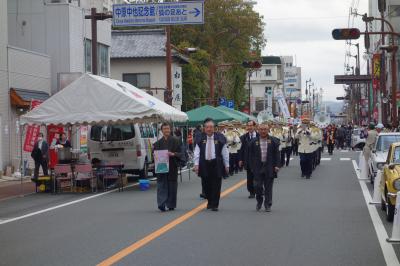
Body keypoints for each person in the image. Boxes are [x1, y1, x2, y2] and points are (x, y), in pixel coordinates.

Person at [194, 118, 229, 211]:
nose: (209, 129)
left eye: (211, 127)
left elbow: (225, 152)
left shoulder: (220, 137)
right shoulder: (199, 137)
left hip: (216, 163)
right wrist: (196, 165)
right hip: (204, 163)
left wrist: (227, 165)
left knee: (216, 185)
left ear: (214, 128)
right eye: (207, 127)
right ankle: (209, 201)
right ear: (204, 128)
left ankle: (215, 204)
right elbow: (196, 152)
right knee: (206, 185)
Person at [247, 123, 280, 212]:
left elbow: (277, 154)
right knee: (257, 186)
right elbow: (250, 156)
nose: (263, 131)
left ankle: (268, 204)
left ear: (268, 130)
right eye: (261, 129)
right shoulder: (253, 142)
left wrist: (277, 165)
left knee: (268, 187)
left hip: (269, 166)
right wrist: (251, 167)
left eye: (265, 129)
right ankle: (259, 201)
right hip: (257, 167)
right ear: (258, 130)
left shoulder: (273, 141)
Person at [153, 123, 183, 212]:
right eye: (164, 129)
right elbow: (155, 156)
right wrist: (155, 155)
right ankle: (161, 204)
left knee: (172, 185)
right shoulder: (157, 143)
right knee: (161, 185)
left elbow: (182, 153)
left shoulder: (176, 140)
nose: (166, 130)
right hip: (161, 167)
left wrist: (173, 154)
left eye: (168, 129)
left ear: (170, 130)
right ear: (161, 131)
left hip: (172, 165)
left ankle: (171, 204)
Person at [239, 120, 259, 198]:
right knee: (250, 177)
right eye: (248, 126)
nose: (250, 127)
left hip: (258, 160)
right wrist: (240, 159)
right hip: (248, 159)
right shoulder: (244, 137)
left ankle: (259, 189)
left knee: (258, 176)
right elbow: (241, 149)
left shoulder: (259, 135)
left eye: (251, 125)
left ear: (254, 126)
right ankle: (251, 192)